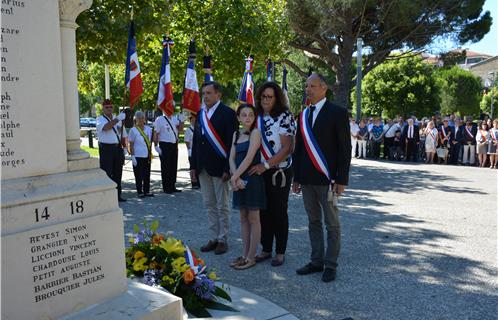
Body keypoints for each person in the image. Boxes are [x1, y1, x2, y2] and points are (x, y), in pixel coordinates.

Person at [293, 73, 351, 283]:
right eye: (306, 86)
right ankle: (316, 261)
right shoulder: (303, 114)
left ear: (323, 88)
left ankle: (330, 265)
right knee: (313, 222)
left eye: (312, 86)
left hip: (329, 180)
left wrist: (342, 180)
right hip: (307, 180)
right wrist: (296, 178)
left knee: (332, 225)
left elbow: (345, 149)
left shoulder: (337, 112)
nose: (308, 90)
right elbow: (298, 148)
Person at [248, 82, 296, 267]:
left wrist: (266, 165)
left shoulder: (285, 116)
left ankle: (280, 252)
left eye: (270, 96)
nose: (266, 100)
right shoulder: (256, 116)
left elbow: (287, 148)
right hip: (260, 171)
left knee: (279, 212)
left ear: (277, 98)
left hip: (278, 171)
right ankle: (266, 248)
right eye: (263, 96)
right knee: (262, 212)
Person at [190, 81, 238, 255]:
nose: (205, 96)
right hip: (202, 167)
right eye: (204, 93)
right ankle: (213, 237)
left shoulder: (228, 114)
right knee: (209, 203)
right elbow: (196, 142)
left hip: (220, 168)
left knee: (222, 205)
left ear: (218, 95)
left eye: (209, 93)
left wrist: (228, 168)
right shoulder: (200, 113)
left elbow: (230, 143)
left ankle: (223, 239)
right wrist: (193, 166)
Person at [228, 104, 266, 270]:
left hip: (252, 181)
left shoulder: (256, 133)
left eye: (251, 115)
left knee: (253, 219)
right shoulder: (235, 134)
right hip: (239, 181)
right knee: (243, 218)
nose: (247, 118)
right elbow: (231, 158)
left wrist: (234, 179)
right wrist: (235, 179)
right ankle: (244, 255)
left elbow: (250, 158)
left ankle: (251, 257)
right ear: (238, 118)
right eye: (244, 115)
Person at [96, 99, 127, 202]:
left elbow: (122, 134)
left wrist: (125, 147)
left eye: (110, 107)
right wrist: (118, 119)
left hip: (117, 147)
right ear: (103, 109)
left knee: (118, 172)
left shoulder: (115, 118)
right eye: (107, 107)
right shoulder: (100, 119)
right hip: (106, 149)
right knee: (107, 173)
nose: (109, 109)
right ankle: (107, 197)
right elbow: (106, 127)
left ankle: (117, 195)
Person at [153, 107, 185, 194]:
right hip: (164, 145)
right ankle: (166, 187)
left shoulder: (174, 119)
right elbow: (156, 133)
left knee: (173, 166)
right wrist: (155, 146)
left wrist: (182, 120)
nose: (170, 110)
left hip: (174, 145)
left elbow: (181, 130)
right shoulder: (159, 119)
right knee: (166, 167)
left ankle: (172, 185)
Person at [128, 111, 154, 198]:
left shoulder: (148, 129)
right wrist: (132, 156)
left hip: (146, 155)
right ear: (136, 119)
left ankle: (146, 190)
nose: (141, 120)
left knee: (147, 174)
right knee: (138, 175)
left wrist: (150, 153)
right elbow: (130, 144)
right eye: (139, 118)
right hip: (137, 156)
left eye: (142, 118)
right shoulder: (133, 130)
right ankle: (140, 191)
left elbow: (150, 142)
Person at [184, 113, 200, 189]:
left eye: (195, 120)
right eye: (192, 120)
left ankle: (199, 182)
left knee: (198, 166)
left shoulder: (198, 129)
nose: (194, 121)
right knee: (192, 167)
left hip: (198, 151)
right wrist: (189, 149)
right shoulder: (188, 130)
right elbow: (187, 141)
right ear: (190, 121)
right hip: (191, 151)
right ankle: (194, 182)